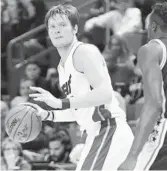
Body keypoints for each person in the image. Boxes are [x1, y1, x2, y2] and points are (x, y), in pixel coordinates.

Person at [24, 4, 134, 170]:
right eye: (52, 26)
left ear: (75, 28)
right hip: (95, 134)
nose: (56, 30)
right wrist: (48, 114)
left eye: (62, 25)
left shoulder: (84, 52)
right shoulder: (62, 67)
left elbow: (105, 95)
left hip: (109, 129)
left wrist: (60, 103)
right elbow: (79, 110)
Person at [118, 1, 167, 170]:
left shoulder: (151, 49)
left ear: (153, 26)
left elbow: (154, 105)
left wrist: (132, 157)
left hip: (163, 135)